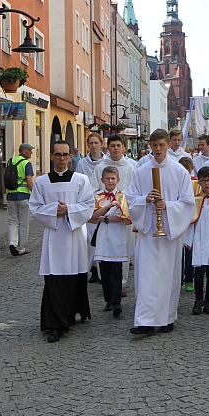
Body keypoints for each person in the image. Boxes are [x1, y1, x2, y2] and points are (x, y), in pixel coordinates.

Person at [127, 128, 196, 335]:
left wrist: (168, 206)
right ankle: (145, 321)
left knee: (169, 275)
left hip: (168, 231)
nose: (158, 149)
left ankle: (166, 317)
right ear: (149, 145)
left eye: (161, 145)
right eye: (154, 145)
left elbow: (188, 203)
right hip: (148, 232)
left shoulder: (179, 171)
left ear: (167, 145)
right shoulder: (141, 171)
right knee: (147, 276)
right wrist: (144, 200)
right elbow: (130, 199)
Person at [29, 140, 96, 343]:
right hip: (54, 236)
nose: (61, 158)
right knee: (55, 279)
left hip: (74, 235)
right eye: (57, 155)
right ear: (51, 157)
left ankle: (73, 313)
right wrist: (53, 211)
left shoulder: (81, 180)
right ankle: (56, 324)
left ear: (70, 156)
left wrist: (69, 210)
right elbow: (35, 208)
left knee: (74, 276)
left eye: (65, 154)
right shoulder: (41, 183)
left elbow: (89, 205)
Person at [95, 134, 137, 292]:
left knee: (124, 248)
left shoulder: (131, 166)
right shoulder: (100, 166)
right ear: (108, 148)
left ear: (123, 148)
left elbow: (135, 190)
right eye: (112, 146)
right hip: (104, 210)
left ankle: (121, 284)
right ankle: (105, 283)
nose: (115, 148)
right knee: (102, 249)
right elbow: (94, 188)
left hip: (122, 213)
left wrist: (124, 200)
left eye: (118, 145)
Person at [88, 166, 131, 318]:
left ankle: (117, 302)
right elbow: (92, 216)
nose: (110, 181)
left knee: (116, 270)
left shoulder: (122, 196)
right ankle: (108, 299)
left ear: (118, 180)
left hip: (116, 237)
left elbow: (124, 217)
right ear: (102, 180)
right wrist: (106, 208)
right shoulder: (98, 196)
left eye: (113, 178)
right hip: (102, 237)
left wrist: (104, 218)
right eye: (108, 178)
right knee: (104, 271)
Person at [188, 166, 209, 315]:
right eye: (203, 180)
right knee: (199, 271)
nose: (207, 183)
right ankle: (198, 300)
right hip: (200, 240)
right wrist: (189, 240)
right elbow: (190, 221)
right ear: (199, 182)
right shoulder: (195, 200)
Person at [77, 132, 107, 282]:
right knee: (90, 238)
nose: (94, 146)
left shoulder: (106, 162)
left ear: (101, 143)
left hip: (104, 202)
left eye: (96, 143)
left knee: (102, 236)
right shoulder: (82, 163)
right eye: (91, 143)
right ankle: (92, 269)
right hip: (88, 202)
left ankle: (101, 269)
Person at [6, 143, 35, 257]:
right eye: (29, 150)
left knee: (12, 221)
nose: (31, 152)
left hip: (10, 195)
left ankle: (12, 243)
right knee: (23, 223)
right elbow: (29, 181)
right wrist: (36, 194)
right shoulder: (26, 163)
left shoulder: (10, 161)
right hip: (23, 196)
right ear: (23, 151)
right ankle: (21, 247)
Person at [178, 156, 197, 291]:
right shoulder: (176, 182)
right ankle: (177, 279)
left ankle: (189, 279)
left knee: (189, 252)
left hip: (192, 221)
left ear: (191, 169)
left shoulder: (196, 183)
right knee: (178, 253)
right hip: (178, 219)